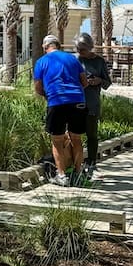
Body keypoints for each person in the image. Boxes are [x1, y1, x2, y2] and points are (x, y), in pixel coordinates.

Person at [32, 33, 88, 185]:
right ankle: (78, 174)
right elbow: (84, 82)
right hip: (77, 101)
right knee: (76, 139)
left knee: (56, 140)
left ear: (45, 47)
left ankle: (61, 175)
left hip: (56, 101)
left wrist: (48, 96)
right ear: (58, 45)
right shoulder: (72, 59)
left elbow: (38, 88)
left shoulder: (41, 62)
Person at [74, 32, 111, 180]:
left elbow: (107, 83)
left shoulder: (99, 62)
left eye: (82, 49)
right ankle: (76, 163)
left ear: (90, 48)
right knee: (74, 135)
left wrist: (98, 81)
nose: (80, 52)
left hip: (92, 102)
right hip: (75, 102)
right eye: (77, 48)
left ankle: (92, 162)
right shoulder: (75, 60)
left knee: (92, 134)